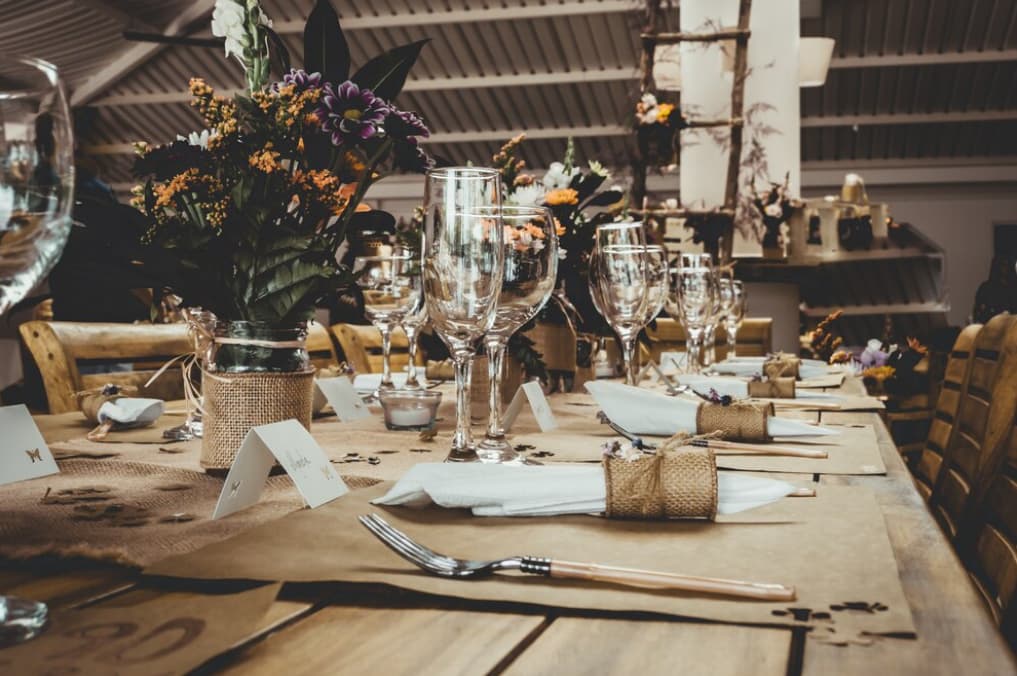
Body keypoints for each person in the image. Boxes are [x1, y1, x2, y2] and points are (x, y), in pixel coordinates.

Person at [973, 255, 1017, 324]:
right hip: (993, 328)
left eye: (1008, 264)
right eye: (1003, 264)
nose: (1005, 268)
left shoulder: (1014, 288)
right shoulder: (986, 288)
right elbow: (979, 313)